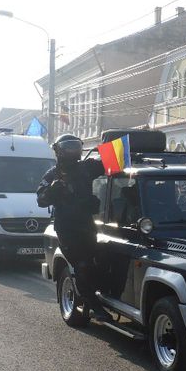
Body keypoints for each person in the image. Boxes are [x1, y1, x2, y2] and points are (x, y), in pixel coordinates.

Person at [37, 134, 110, 321]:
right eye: (67, 147)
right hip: (66, 228)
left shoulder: (87, 168)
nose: (72, 150)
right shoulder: (52, 175)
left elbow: (111, 162)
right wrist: (52, 191)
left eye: (75, 146)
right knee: (82, 265)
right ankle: (93, 304)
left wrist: (118, 142)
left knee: (96, 261)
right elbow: (40, 200)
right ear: (59, 150)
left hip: (86, 224)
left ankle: (98, 297)